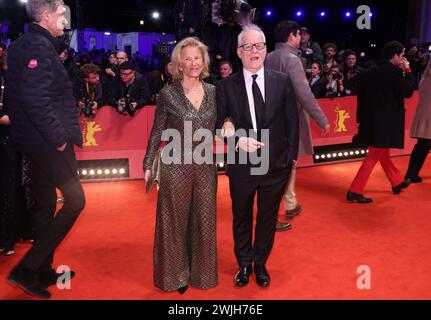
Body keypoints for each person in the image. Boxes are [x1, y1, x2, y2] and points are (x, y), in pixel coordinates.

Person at [5, 0, 85, 298]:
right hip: (47, 142)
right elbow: (34, 99)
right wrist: (59, 137)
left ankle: (41, 270)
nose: (65, 19)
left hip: (35, 141)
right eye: (61, 14)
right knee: (76, 200)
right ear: (47, 15)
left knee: (46, 204)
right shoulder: (38, 47)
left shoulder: (27, 43)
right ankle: (27, 268)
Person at [217, 24, 299, 287]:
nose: (255, 51)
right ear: (239, 52)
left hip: (276, 165)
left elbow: (291, 121)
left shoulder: (282, 81)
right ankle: (243, 264)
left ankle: (261, 263)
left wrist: (290, 158)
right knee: (241, 216)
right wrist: (235, 136)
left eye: (259, 45)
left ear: (266, 49)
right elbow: (219, 123)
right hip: (242, 163)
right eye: (248, 46)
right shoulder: (225, 86)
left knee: (267, 217)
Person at [143, 37, 218, 294]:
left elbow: (224, 119)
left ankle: (202, 274)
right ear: (179, 64)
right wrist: (148, 164)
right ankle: (176, 276)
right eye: (188, 58)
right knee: (174, 222)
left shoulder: (213, 92)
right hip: (176, 166)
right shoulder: (168, 94)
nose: (193, 63)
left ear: (204, 61)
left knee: (204, 221)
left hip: (206, 167)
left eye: (197, 58)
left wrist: (229, 123)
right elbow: (157, 132)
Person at [265, 20, 330, 231]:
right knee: (280, 167)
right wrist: (321, 119)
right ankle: (271, 215)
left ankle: (291, 203)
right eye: (298, 35)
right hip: (287, 119)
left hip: (270, 117)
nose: (301, 38)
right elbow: (304, 93)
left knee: (285, 163)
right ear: (292, 36)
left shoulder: (268, 57)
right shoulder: (291, 59)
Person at [347, 41, 415, 203]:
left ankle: (396, 181)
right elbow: (408, 92)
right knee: (374, 155)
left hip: (370, 120)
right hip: (386, 122)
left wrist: (359, 121)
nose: (402, 58)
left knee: (382, 152)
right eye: (401, 55)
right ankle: (355, 190)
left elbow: (360, 100)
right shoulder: (394, 72)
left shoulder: (368, 72)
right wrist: (408, 69)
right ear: (395, 55)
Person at [404, 60, 431, 184]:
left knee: (421, 146)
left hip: (424, 117)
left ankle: (411, 174)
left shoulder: (424, 78)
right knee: (422, 147)